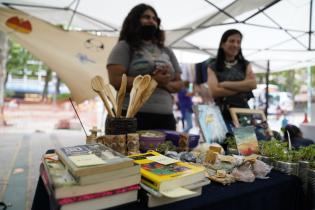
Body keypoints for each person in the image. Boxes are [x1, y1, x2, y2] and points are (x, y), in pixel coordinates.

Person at [107, 4, 183, 130]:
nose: (151, 21)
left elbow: (179, 83)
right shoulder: (124, 46)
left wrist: (163, 83)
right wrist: (153, 80)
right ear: (135, 21)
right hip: (131, 117)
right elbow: (116, 81)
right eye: (146, 17)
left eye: (154, 19)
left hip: (165, 118)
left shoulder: (166, 50)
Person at [207, 29, 257, 131]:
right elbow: (215, 92)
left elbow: (253, 84)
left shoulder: (245, 64)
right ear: (222, 44)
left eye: (238, 42)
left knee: (246, 145)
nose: (235, 45)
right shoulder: (213, 67)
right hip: (221, 115)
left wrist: (225, 84)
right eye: (231, 41)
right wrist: (243, 87)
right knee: (222, 145)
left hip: (243, 115)